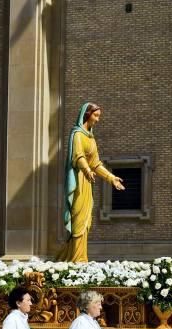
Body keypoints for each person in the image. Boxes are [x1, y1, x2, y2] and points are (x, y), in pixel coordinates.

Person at [56, 102, 126, 263]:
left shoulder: (91, 139)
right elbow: (78, 156)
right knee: (78, 220)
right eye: (96, 115)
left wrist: (111, 178)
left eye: (99, 116)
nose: (98, 119)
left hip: (87, 182)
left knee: (86, 221)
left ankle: (79, 258)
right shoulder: (77, 134)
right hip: (78, 180)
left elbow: (96, 163)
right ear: (87, 115)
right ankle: (76, 259)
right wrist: (87, 170)